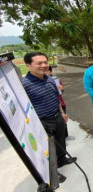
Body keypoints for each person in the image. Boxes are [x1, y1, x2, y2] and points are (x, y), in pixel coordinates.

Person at [22, 52, 77, 183]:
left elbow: (56, 97)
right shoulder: (24, 85)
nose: (44, 65)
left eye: (45, 62)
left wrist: (62, 113)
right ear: (28, 65)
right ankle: (52, 174)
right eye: (39, 63)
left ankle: (62, 160)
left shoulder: (49, 78)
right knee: (48, 149)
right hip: (43, 122)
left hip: (57, 116)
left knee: (61, 141)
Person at [47, 66, 75, 141]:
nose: (46, 73)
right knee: (56, 124)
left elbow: (61, 91)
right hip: (51, 107)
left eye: (47, 71)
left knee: (64, 121)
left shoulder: (56, 80)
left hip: (61, 104)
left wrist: (61, 89)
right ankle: (59, 139)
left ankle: (66, 136)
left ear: (51, 72)